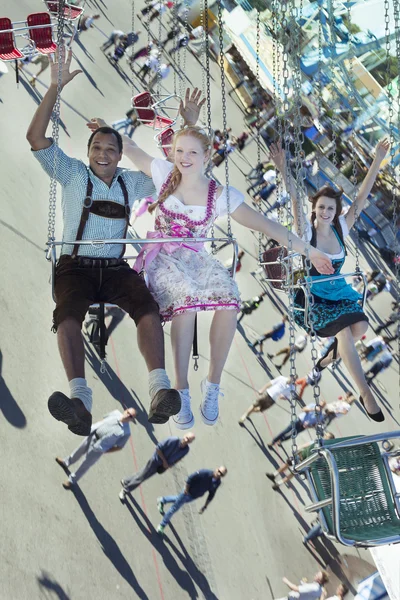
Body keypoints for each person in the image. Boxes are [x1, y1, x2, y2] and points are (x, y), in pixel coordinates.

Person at [87, 119, 333, 429]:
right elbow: (131, 148)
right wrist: (107, 129)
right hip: (162, 257)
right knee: (185, 301)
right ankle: (181, 387)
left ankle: (212, 384)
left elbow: (266, 225)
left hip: (196, 259)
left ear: (207, 156)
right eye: (179, 151)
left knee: (230, 300)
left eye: (192, 152)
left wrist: (309, 251)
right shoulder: (164, 173)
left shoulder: (219, 195)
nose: (184, 158)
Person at [26, 50, 202, 433]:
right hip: (76, 265)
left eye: (110, 149)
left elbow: (177, 177)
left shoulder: (131, 181)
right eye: (97, 149)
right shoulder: (72, 174)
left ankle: (159, 391)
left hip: (114, 266)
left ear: (121, 155)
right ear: (88, 153)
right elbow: (36, 137)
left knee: (147, 306)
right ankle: (79, 401)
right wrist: (54, 86)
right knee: (67, 313)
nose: (103, 154)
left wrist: (187, 128)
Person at [270, 139, 390, 422]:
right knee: (347, 331)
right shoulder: (306, 231)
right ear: (316, 209)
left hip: (340, 292)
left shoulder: (340, 230)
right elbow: (297, 199)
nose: (325, 212)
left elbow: (361, 198)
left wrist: (378, 159)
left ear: (336, 212)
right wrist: (283, 168)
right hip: (316, 298)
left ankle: (327, 359)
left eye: (330, 209)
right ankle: (364, 391)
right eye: (321, 208)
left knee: (361, 324)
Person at [55, 408, 137, 488]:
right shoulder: (115, 413)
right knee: (79, 451)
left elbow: (119, 447)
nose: (128, 415)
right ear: (125, 411)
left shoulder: (126, 432)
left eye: (130, 416)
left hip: (99, 447)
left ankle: (71, 480)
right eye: (128, 412)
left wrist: (106, 450)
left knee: (85, 464)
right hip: (93, 435)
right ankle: (66, 462)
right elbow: (103, 420)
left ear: (132, 420)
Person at [119, 433, 195, 500]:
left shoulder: (186, 450)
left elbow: (179, 458)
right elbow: (158, 448)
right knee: (142, 477)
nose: (186, 440)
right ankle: (125, 490)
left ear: (190, 442)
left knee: (143, 473)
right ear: (184, 435)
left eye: (189, 440)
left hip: (162, 466)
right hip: (155, 461)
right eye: (186, 438)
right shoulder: (173, 440)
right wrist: (164, 461)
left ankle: (126, 481)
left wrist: (169, 466)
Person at [156, 466, 227, 536]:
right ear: (217, 469)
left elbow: (211, 494)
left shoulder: (217, 482)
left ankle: (162, 500)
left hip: (193, 497)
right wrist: (186, 490)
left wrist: (205, 506)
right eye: (219, 471)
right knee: (174, 508)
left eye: (222, 474)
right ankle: (162, 525)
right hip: (187, 493)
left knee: (177, 499)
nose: (219, 474)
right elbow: (191, 477)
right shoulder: (205, 473)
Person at [266, 432, 335, 490]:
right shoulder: (317, 441)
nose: (324, 436)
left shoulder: (324, 450)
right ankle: (274, 474)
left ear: (329, 440)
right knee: (287, 464)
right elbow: (307, 444)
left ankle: (279, 484)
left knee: (293, 473)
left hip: (305, 462)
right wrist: (298, 448)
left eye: (326, 436)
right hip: (300, 455)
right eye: (325, 435)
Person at [268, 401, 335, 447]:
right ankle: (273, 441)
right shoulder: (312, 405)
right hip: (298, 420)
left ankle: (281, 440)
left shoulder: (320, 416)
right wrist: (312, 409)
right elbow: (303, 409)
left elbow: (315, 424)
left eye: (321, 406)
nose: (320, 406)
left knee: (293, 435)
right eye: (319, 405)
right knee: (286, 431)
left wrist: (308, 426)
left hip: (303, 426)